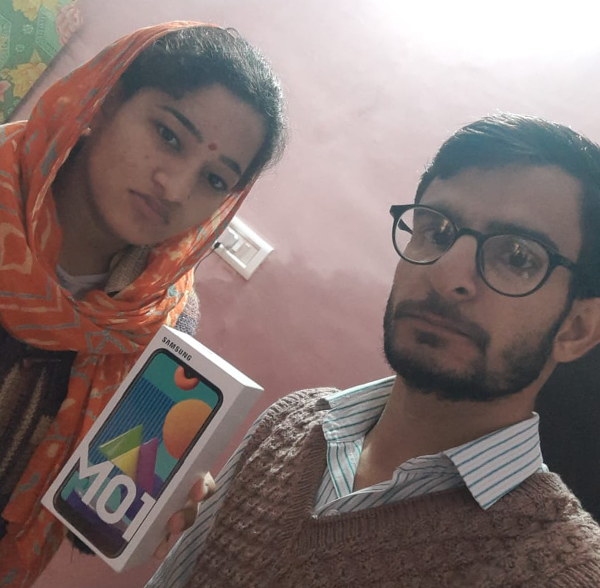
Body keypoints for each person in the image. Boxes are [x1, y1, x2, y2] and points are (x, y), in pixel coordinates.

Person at [149, 114, 600, 588]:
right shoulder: (290, 421)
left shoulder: (565, 572)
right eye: (437, 230)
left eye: (517, 257)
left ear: (576, 327)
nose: (447, 276)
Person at [0, 21, 286, 587]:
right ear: (104, 103)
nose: (176, 188)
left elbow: (82, 516)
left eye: (213, 179)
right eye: (169, 135)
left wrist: (155, 502)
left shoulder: (163, 321)